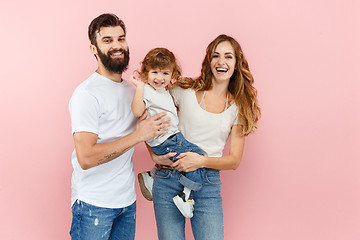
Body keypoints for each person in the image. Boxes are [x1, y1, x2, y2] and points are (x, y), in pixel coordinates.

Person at [141, 34, 261, 240]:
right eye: (216, 56)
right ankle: (153, 177)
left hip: (207, 183)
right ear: (209, 61)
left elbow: (234, 161)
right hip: (169, 178)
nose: (221, 61)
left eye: (228, 57)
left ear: (236, 63)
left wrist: (200, 160)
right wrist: (153, 155)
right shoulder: (184, 90)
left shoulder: (238, 107)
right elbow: (150, 114)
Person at [68, 13, 170, 240]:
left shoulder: (133, 91)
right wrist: (137, 136)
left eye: (121, 39)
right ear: (94, 49)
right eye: (107, 40)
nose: (117, 45)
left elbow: (142, 130)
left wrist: (157, 156)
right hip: (93, 203)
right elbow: (86, 158)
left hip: (126, 202)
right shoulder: (86, 94)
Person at [129, 47, 207, 219]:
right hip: (167, 139)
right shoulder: (147, 90)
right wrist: (140, 87)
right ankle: (185, 196)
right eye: (154, 72)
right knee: (198, 156)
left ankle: (153, 175)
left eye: (165, 73)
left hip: (170, 138)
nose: (159, 77)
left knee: (180, 162)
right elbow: (136, 111)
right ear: (146, 74)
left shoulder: (164, 92)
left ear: (172, 74)